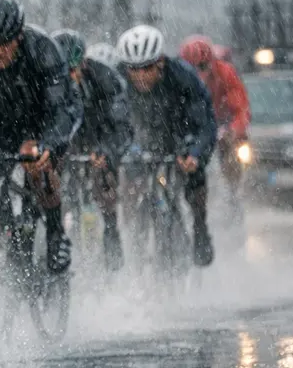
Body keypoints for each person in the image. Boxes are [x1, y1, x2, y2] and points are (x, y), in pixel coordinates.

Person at [0, 0, 81, 274]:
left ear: (19, 36)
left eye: (5, 43)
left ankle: (55, 233)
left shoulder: (43, 50)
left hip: (45, 117)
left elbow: (62, 110)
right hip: (0, 120)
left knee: (37, 162)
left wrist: (48, 145)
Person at [117, 25, 218, 267]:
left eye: (147, 68)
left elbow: (205, 125)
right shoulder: (118, 79)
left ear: (160, 62)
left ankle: (199, 225)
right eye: (134, 69)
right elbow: (113, 121)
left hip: (180, 133)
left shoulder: (184, 77)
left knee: (193, 175)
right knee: (129, 176)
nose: (140, 76)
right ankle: (133, 241)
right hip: (143, 139)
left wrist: (194, 153)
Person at [52, 30, 132, 270]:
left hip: (98, 135)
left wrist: (107, 151)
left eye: (73, 71)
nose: (68, 77)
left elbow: (121, 125)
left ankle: (110, 229)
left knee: (104, 179)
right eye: (62, 72)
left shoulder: (105, 78)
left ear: (83, 64)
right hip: (64, 139)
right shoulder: (46, 79)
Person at [178, 35, 251, 205]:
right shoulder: (176, 78)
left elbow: (241, 109)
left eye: (202, 67)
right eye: (191, 68)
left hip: (221, 124)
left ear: (212, 63)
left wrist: (233, 130)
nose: (199, 74)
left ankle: (232, 193)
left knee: (232, 153)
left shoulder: (225, 73)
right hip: (190, 125)